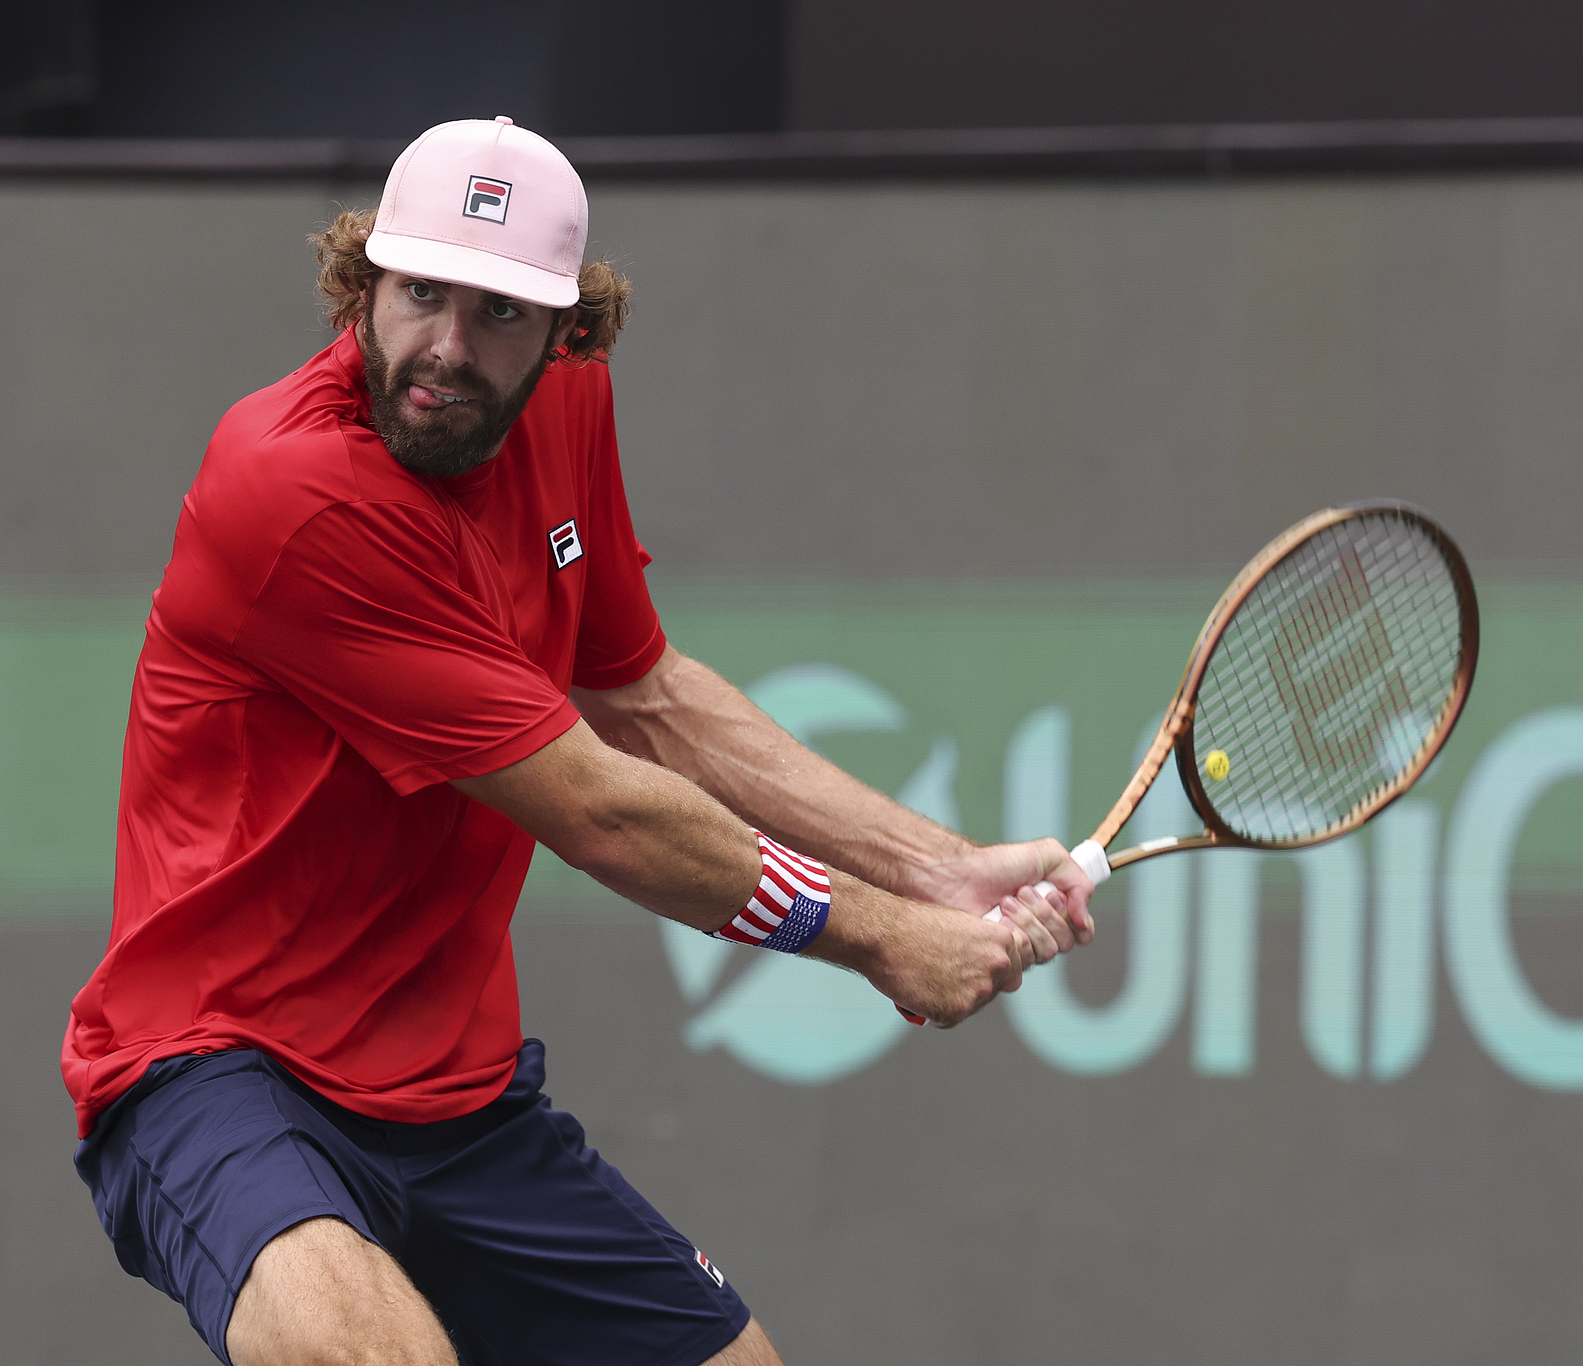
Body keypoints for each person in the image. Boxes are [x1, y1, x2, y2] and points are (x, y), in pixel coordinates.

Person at [63, 115, 1097, 1366]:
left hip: (456, 1093)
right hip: (217, 1063)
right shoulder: (290, 493)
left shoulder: (564, 410)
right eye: (420, 291)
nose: (445, 347)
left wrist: (933, 866)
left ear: (570, 333)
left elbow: (646, 696)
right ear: (360, 285)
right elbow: (601, 807)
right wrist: (879, 935)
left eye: (498, 312)